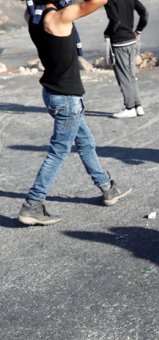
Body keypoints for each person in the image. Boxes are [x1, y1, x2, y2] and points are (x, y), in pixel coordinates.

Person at [19, 0, 132, 226]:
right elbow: (96, 2)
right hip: (68, 98)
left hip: (53, 93)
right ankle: (32, 204)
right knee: (58, 152)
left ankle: (108, 188)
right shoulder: (59, 18)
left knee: (86, 142)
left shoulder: (32, 17)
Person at [104, 0, 148, 119]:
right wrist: (139, 29)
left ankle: (130, 108)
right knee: (131, 75)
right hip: (131, 41)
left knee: (123, 76)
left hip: (120, 43)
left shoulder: (109, 1)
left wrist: (107, 33)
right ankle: (138, 106)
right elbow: (144, 12)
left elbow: (115, 21)